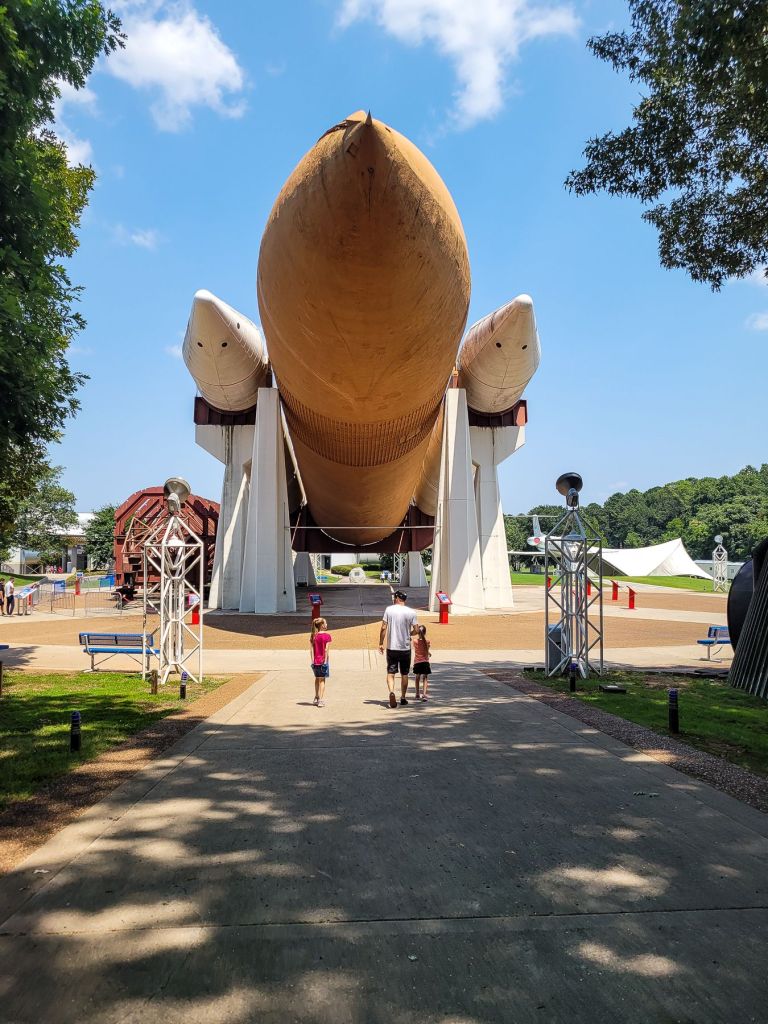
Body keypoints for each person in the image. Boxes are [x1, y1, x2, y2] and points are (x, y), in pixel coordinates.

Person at [379, 589, 418, 707]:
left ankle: (391, 692)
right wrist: (409, 634)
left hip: (392, 647)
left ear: (396, 598)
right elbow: (416, 630)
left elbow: (383, 627)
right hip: (405, 647)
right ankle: (403, 697)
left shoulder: (389, 610)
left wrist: (381, 643)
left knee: (391, 672)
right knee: (404, 673)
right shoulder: (411, 612)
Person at [309, 616, 332, 707]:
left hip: (315, 662)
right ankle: (321, 700)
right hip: (323, 661)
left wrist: (312, 661)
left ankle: (316, 697)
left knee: (317, 679)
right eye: (325, 623)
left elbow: (311, 650)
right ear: (322, 625)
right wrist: (325, 661)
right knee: (322, 680)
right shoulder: (327, 636)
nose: (326, 624)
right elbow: (326, 650)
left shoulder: (314, 636)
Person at [412, 624, 432, 701]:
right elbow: (426, 650)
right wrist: (429, 653)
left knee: (417, 677)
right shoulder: (427, 641)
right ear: (425, 632)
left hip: (417, 662)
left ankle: (417, 694)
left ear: (418, 633)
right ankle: (424, 694)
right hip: (425, 661)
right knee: (425, 678)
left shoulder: (415, 641)